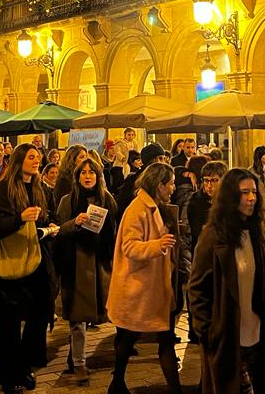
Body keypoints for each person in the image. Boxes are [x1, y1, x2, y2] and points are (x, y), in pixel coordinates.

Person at [0, 144, 58, 394]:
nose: (36, 161)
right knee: (8, 325)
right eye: (31, 157)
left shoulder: (41, 188)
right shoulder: (3, 189)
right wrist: (19, 219)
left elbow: (46, 218)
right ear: (19, 161)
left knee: (38, 318)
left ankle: (24, 366)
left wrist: (49, 227)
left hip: (35, 261)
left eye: (38, 157)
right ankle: (8, 377)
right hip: (8, 266)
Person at [189, 168, 265, 394]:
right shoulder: (213, 237)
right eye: (244, 192)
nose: (251, 198)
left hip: (257, 335)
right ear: (230, 197)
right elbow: (197, 289)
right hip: (227, 338)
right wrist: (207, 332)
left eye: (254, 192)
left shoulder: (256, 233)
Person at [106, 162, 182, 394]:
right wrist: (157, 245)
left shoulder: (153, 206)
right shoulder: (138, 209)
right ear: (159, 185)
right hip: (139, 288)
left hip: (153, 288)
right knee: (130, 338)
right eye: (170, 183)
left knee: (161, 339)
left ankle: (120, 383)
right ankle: (117, 382)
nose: (173, 188)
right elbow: (130, 246)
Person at [54, 156, 117, 384]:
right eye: (83, 172)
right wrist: (74, 223)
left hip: (98, 263)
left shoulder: (107, 200)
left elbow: (113, 233)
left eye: (92, 172)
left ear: (99, 176)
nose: (87, 176)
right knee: (78, 316)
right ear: (77, 176)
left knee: (98, 313)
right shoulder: (67, 201)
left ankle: (77, 356)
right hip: (75, 264)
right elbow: (58, 232)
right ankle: (79, 362)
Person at [115, 142, 168, 220]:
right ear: (151, 161)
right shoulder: (133, 180)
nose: (163, 162)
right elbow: (123, 206)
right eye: (160, 158)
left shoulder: (164, 178)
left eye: (164, 158)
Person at [188, 159, 226, 250]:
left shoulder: (229, 200)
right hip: (203, 250)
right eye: (206, 180)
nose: (209, 185)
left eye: (214, 180)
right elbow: (198, 231)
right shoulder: (196, 201)